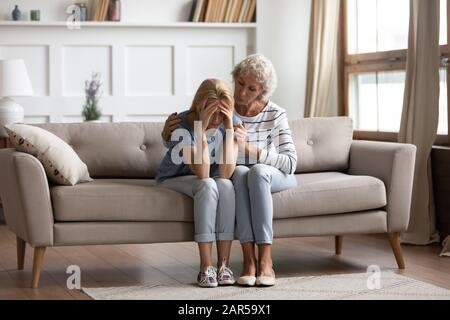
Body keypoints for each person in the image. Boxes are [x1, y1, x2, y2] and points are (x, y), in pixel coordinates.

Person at [161, 54, 298, 287]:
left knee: (248, 173)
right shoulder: (222, 106)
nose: (243, 93)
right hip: (224, 174)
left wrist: (247, 147)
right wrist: (171, 134)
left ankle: (264, 260)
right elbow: (190, 149)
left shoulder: (268, 114)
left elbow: (290, 162)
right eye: (241, 84)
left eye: (252, 88)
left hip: (266, 172)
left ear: (262, 91)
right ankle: (245, 262)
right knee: (239, 174)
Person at [156, 78, 240, 288]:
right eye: (212, 111)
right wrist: (201, 128)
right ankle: (206, 267)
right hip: (173, 179)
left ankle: (223, 266)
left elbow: (226, 172)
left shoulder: (229, 121)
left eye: (222, 112)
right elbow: (202, 172)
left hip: (204, 182)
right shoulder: (181, 124)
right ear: (199, 105)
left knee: (226, 185)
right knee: (208, 184)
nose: (217, 118)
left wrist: (229, 128)